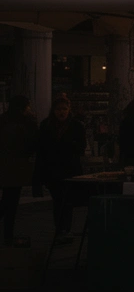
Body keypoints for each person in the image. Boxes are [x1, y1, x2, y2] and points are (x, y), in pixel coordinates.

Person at [36, 94, 86, 245]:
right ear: (54, 110)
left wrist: (68, 146)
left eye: (64, 109)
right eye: (58, 109)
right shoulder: (46, 125)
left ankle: (66, 229)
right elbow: (41, 149)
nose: (61, 112)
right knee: (58, 200)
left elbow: (81, 147)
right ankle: (60, 230)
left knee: (67, 200)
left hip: (70, 169)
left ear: (69, 109)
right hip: (52, 170)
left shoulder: (76, 126)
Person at [1, 96, 39, 246]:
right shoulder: (25, 122)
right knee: (10, 202)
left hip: (5, 165)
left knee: (8, 199)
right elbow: (32, 142)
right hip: (17, 166)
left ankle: (8, 235)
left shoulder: (3, 120)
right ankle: (8, 236)